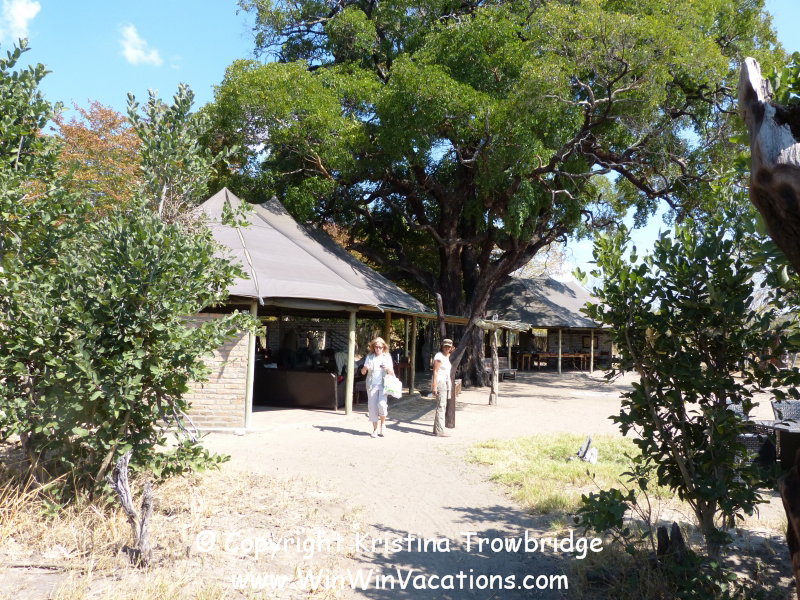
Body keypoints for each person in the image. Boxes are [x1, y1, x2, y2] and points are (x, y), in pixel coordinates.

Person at [360, 337, 394, 438]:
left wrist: (387, 368)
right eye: (376, 347)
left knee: (382, 405)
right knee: (372, 408)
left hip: (383, 385)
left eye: (380, 347)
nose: (378, 349)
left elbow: (392, 373)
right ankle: (375, 429)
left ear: (384, 347)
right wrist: (365, 368)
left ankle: (383, 424)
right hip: (371, 385)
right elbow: (363, 372)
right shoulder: (369, 357)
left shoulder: (387, 357)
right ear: (373, 347)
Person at [431, 338, 454, 437]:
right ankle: (440, 430)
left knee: (442, 405)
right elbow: (435, 372)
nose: (447, 348)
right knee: (441, 406)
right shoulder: (439, 356)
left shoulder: (446, 357)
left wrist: (452, 351)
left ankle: (436, 429)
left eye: (449, 347)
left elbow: (449, 354)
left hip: (445, 382)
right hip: (440, 382)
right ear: (442, 346)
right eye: (445, 346)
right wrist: (434, 386)